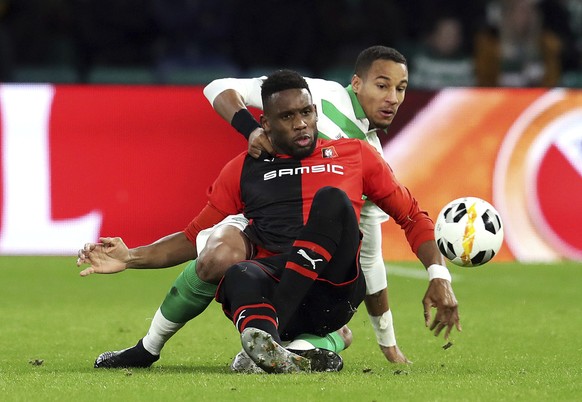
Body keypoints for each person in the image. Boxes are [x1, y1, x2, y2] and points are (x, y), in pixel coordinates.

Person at [77, 69, 461, 373]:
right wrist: (131, 258)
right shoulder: (242, 170)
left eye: (307, 112)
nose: (301, 124)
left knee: (332, 202)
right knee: (234, 269)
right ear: (266, 123)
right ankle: (294, 351)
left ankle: (277, 343)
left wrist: (439, 277)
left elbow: (412, 217)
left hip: (332, 290)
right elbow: (192, 238)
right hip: (274, 294)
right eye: (288, 116)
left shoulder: (356, 155)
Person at [201, 45, 410, 363]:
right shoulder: (321, 94)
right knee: (215, 256)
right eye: (382, 85)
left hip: (314, 280)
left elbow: (370, 259)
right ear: (356, 83)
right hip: (268, 252)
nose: (392, 98)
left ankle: (280, 349)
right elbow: (216, 87)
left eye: (400, 88)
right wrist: (251, 129)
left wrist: (388, 343)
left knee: (337, 325)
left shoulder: (371, 157)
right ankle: (151, 344)